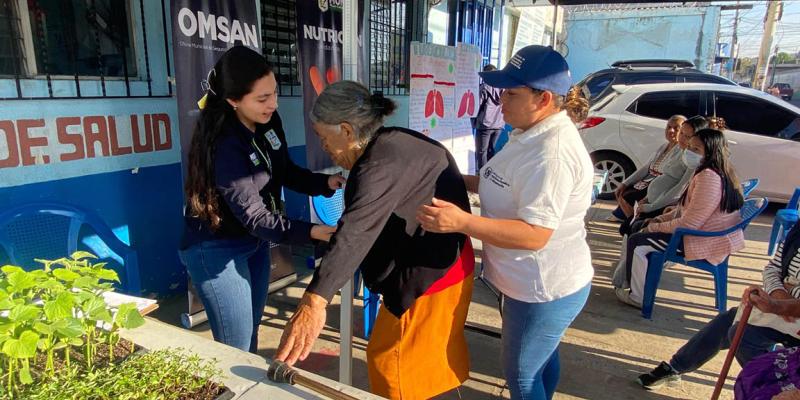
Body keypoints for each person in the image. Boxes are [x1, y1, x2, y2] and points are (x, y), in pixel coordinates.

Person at [275, 81, 474, 399]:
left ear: (346, 131)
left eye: (323, 137)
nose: (324, 146)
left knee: (392, 368)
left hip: (430, 277)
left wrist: (314, 302)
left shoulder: (380, 163)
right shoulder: (393, 142)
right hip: (446, 263)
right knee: (422, 368)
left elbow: (356, 231)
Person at [416, 45, 593, 400]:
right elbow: (499, 182)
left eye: (511, 94)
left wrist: (461, 222)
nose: (500, 101)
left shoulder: (551, 155)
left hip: (542, 288)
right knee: (541, 360)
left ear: (544, 99)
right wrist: (450, 177)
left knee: (523, 376)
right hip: (527, 281)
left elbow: (535, 234)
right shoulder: (529, 132)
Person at [179, 46, 345, 353]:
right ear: (233, 100)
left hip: (254, 241)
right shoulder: (225, 143)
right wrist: (312, 232)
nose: (273, 104)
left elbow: (284, 171)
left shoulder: (269, 121)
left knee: (250, 332)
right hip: (217, 250)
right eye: (262, 98)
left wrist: (325, 182)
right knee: (236, 347)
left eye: (275, 93)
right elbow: (255, 216)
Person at [638, 223, 800, 391]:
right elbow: (773, 268)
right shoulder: (797, 231)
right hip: (783, 305)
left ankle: (778, 389)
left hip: (706, 245)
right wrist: (780, 295)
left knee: (743, 336)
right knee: (729, 319)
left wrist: (784, 303)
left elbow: (690, 221)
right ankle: (676, 367)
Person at [614, 128, 745, 308]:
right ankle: (629, 283)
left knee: (638, 242)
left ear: (711, 152)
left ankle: (638, 297)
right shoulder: (711, 171)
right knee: (637, 227)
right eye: (689, 147)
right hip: (698, 233)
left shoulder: (709, 178)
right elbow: (687, 210)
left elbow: (689, 223)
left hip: (701, 240)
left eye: (696, 149)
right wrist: (660, 220)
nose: (689, 152)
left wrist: (654, 226)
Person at [609, 115, 685, 222]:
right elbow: (647, 167)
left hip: (659, 185)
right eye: (669, 127)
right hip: (648, 180)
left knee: (630, 196)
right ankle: (630, 218)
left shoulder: (682, 151)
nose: (671, 131)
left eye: (676, 128)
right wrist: (625, 183)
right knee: (624, 190)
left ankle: (633, 220)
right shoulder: (664, 146)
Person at [474, 64, 505, 172]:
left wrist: (473, 121)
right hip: (499, 124)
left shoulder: (484, 87)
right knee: (491, 150)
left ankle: (482, 174)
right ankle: (490, 173)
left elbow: (477, 106)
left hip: (485, 124)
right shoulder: (503, 88)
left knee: (482, 151)